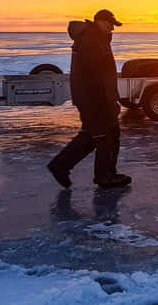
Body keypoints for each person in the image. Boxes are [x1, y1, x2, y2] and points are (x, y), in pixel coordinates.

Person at [47, 9, 131, 188]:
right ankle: (104, 176)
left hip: (96, 98)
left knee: (94, 136)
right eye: (109, 24)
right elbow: (94, 76)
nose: (112, 28)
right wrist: (104, 102)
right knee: (105, 136)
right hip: (94, 100)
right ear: (99, 21)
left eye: (113, 25)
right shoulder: (91, 41)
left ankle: (61, 165)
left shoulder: (97, 39)